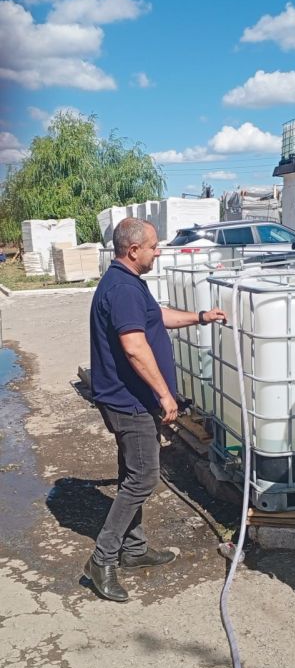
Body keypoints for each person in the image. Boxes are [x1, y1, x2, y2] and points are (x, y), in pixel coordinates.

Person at [84, 218, 226, 602]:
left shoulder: (127, 284)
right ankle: (102, 558)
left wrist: (199, 317)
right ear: (133, 251)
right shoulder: (123, 289)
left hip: (127, 398)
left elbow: (156, 317)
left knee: (132, 471)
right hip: (128, 400)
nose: (158, 251)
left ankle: (133, 549)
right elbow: (134, 347)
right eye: (153, 246)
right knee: (143, 478)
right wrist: (166, 395)